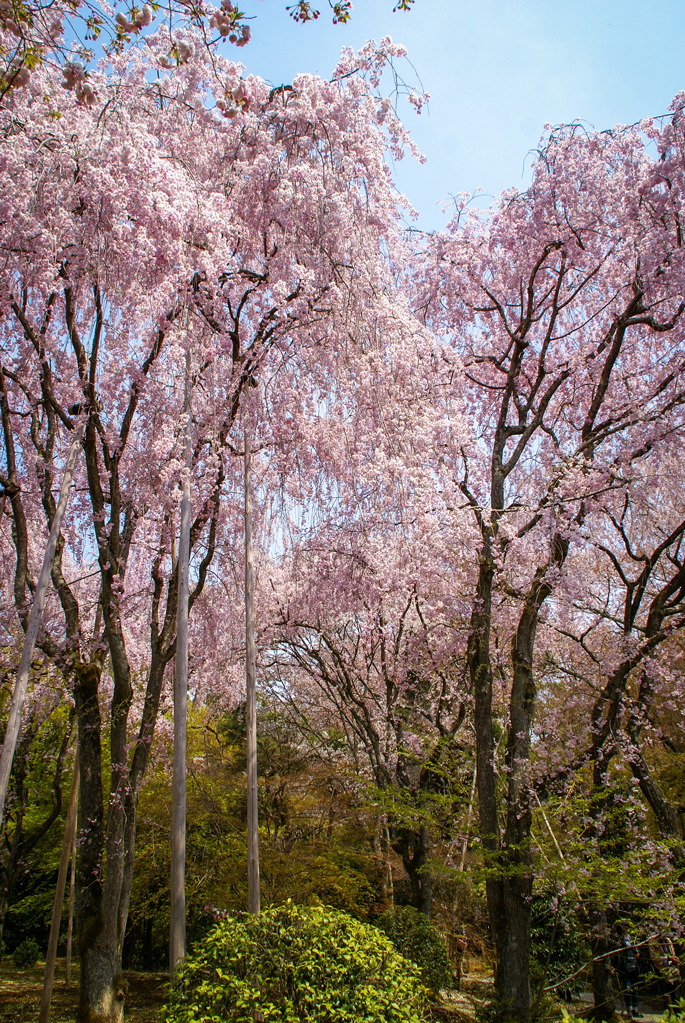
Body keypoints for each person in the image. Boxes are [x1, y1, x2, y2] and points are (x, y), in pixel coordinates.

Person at [612, 924, 642, 1019]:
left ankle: (635, 1009)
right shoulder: (618, 940)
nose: (626, 929)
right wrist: (614, 966)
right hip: (624, 967)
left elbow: (637, 949)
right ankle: (629, 1009)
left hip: (633, 966)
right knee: (628, 988)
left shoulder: (632, 939)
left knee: (635, 989)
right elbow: (614, 953)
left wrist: (637, 954)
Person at [649, 933, 681, 1013]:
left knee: (674, 993)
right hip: (661, 970)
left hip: (671, 970)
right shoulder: (652, 942)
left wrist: (674, 959)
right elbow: (654, 958)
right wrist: (667, 958)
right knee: (666, 993)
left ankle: (677, 1014)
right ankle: (668, 1013)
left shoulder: (668, 941)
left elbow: (673, 953)